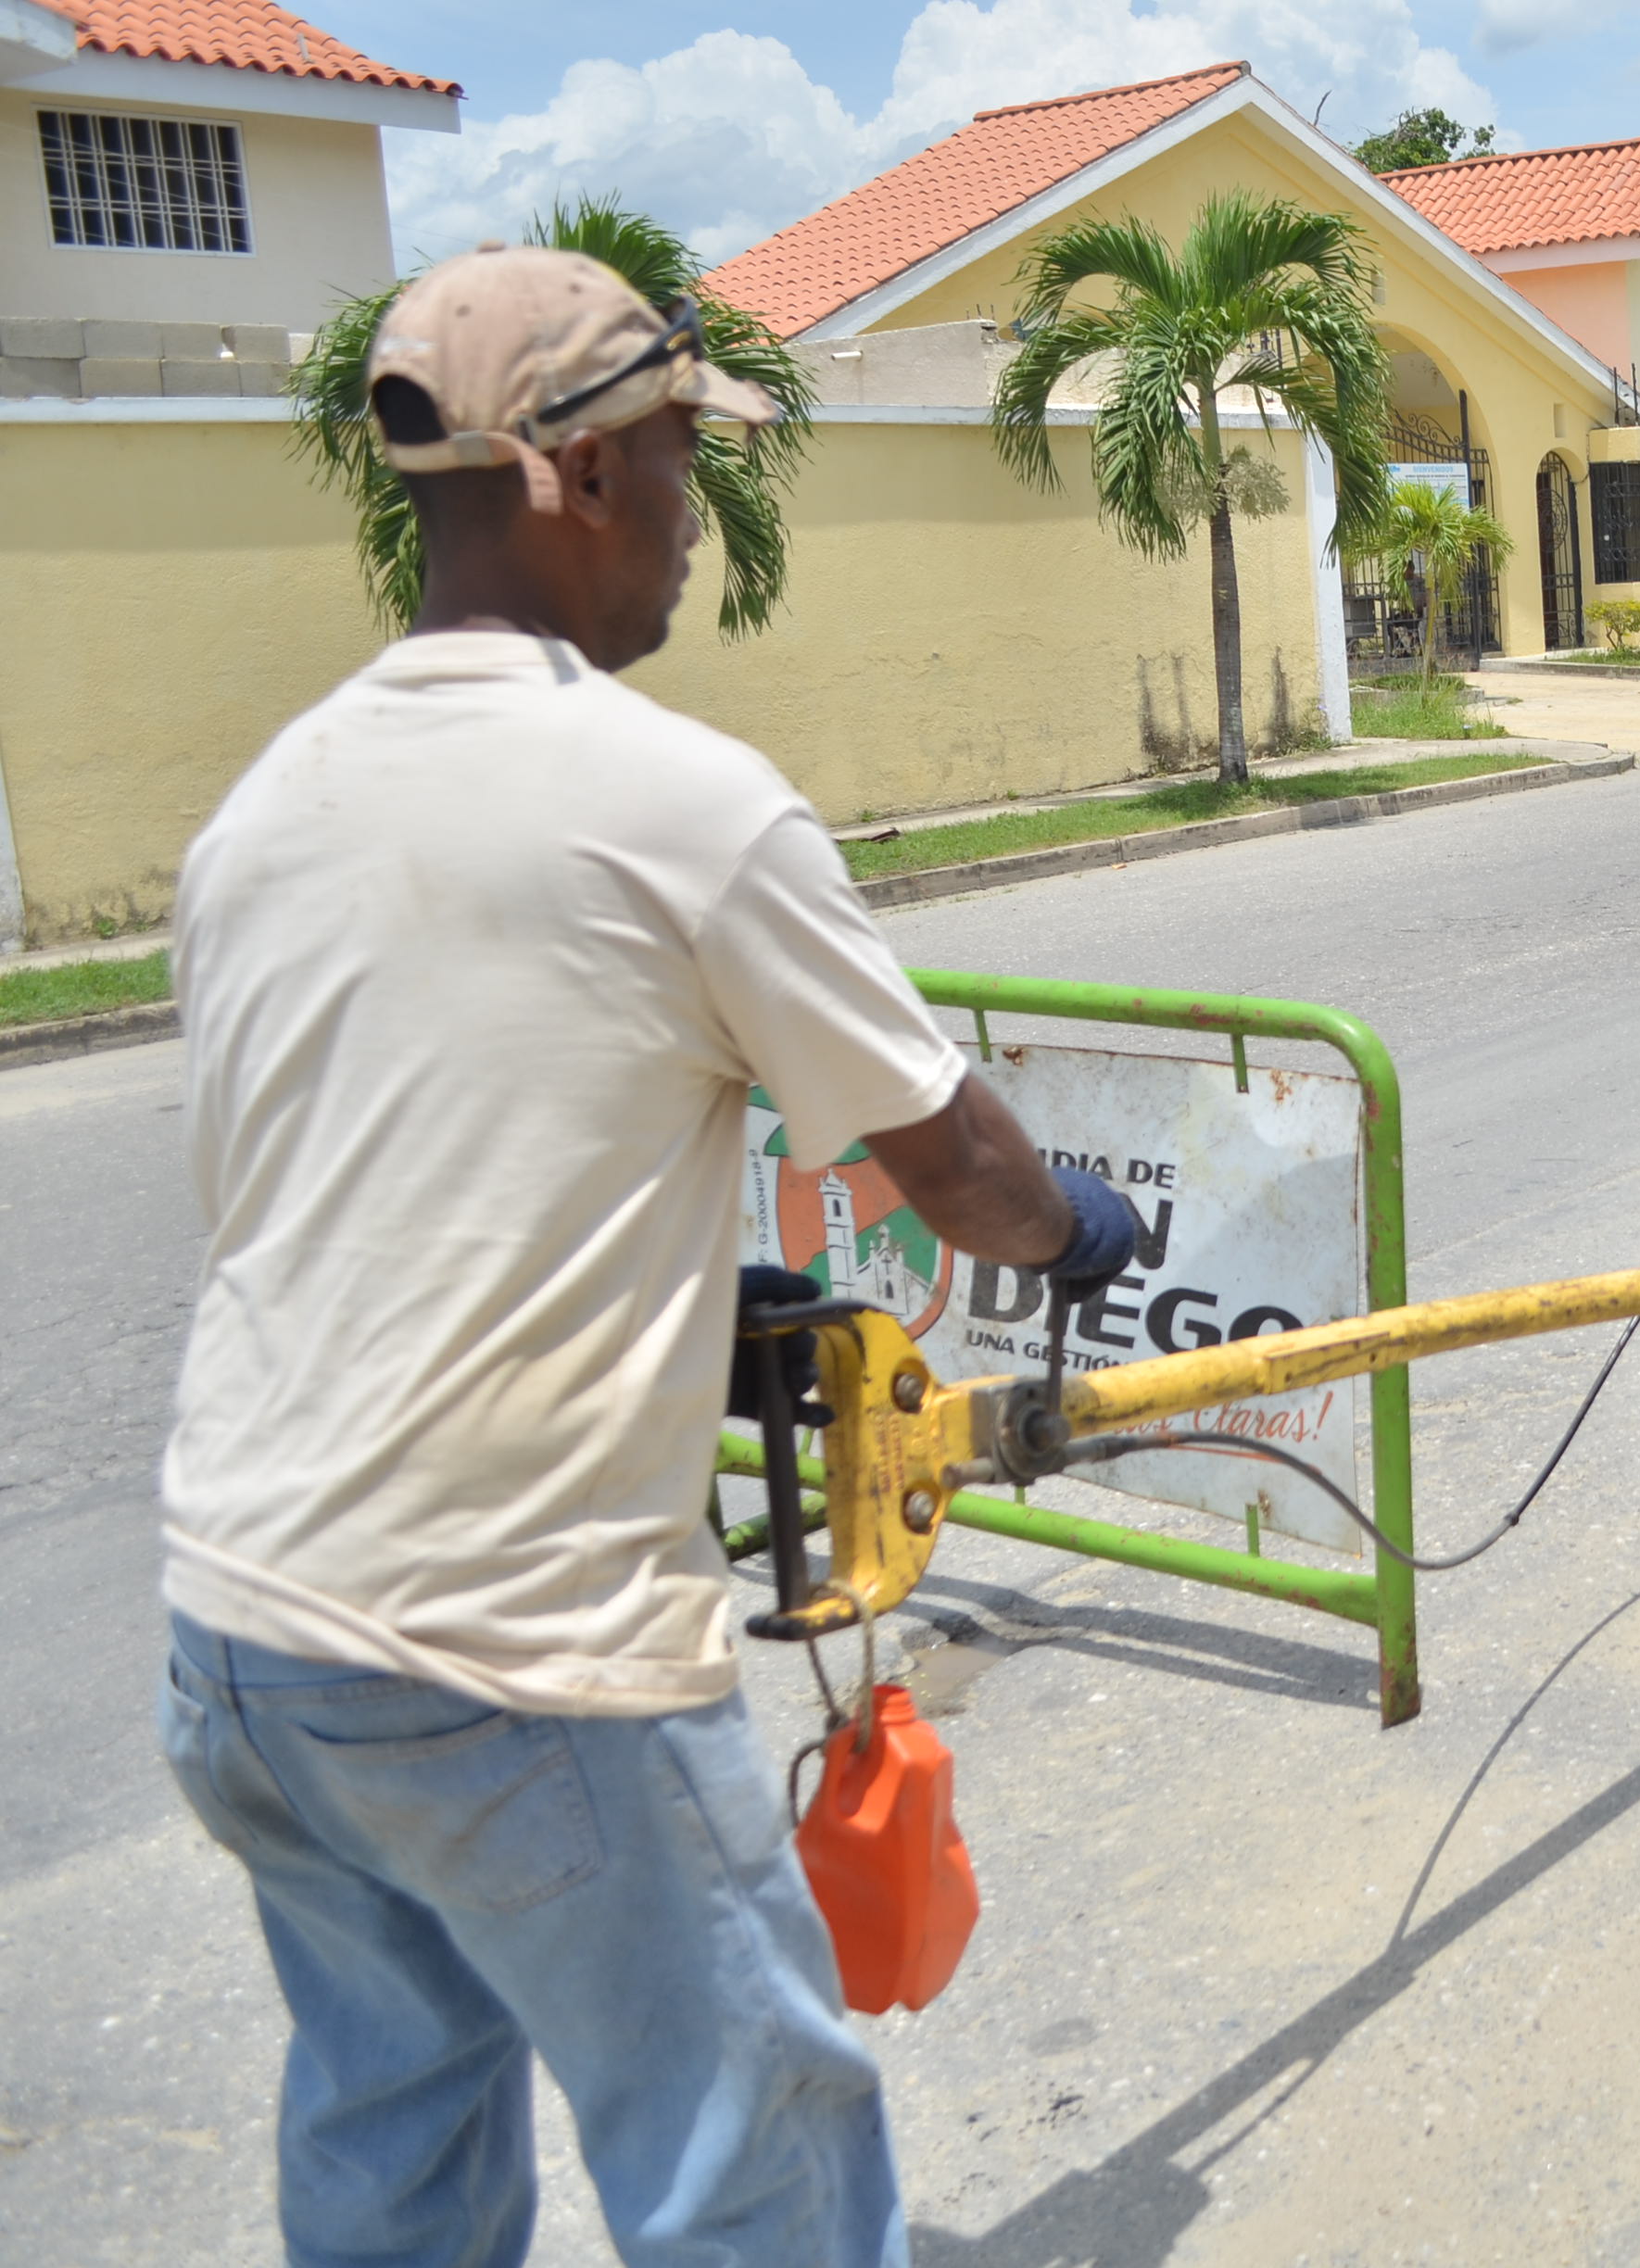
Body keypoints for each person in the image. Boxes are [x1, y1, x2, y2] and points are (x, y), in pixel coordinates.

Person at [155, 245, 1145, 2266]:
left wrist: (695, 1304)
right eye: (688, 450)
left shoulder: (265, 810)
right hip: (509, 1655)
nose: (708, 502)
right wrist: (1073, 1226)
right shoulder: (678, 804)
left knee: (393, 2140)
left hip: (245, 1631)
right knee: (750, 2168)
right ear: (579, 474)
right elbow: (952, 1164)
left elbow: (370, 1197)